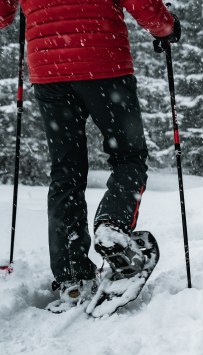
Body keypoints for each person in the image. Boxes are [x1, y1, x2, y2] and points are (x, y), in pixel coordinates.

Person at [0, 0, 181, 312]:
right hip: (104, 64)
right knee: (128, 157)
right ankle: (112, 226)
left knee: (65, 171)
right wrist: (166, 27)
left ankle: (72, 277)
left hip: (50, 71)